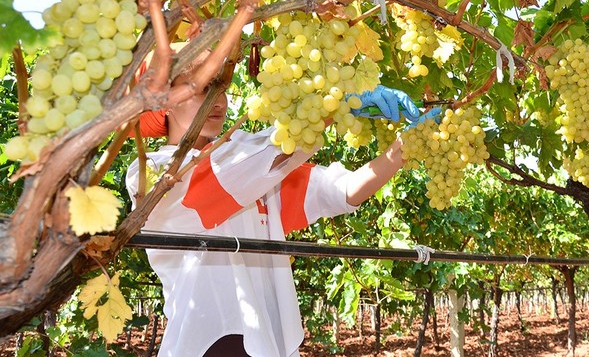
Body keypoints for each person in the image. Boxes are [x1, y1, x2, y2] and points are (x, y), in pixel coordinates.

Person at [125, 58, 436, 357]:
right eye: (202, 87)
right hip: (212, 339)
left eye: (221, 87)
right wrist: (335, 105)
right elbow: (236, 170)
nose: (218, 100)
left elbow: (342, 191)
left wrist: (404, 147)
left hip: (264, 340)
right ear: (162, 99)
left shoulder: (254, 168)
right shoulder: (151, 173)